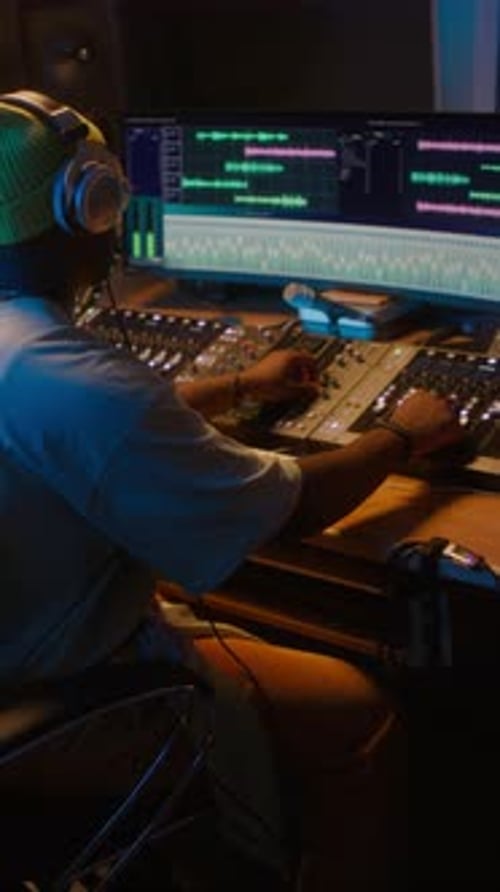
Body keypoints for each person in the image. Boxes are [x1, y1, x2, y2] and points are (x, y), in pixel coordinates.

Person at [0, 90, 464, 891]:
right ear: (88, 203)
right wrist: (404, 433)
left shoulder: (35, 357)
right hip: (52, 704)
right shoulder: (70, 380)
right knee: (359, 714)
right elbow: (287, 510)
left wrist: (238, 384)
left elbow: (86, 427)